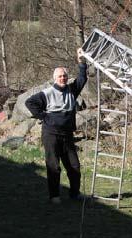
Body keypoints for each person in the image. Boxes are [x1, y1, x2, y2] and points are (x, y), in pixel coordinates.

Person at [25, 48, 88, 204]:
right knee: (54, 167)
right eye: (60, 76)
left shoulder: (72, 90)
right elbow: (29, 103)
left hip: (67, 135)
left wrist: (82, 62)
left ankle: (75, 194)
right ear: (55, 78)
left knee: (74, 166)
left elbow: (82, 79)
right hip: (51, 134)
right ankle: (54, 196)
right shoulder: (46, 93)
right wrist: (44, 116)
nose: (63, 78)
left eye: (65, 76)